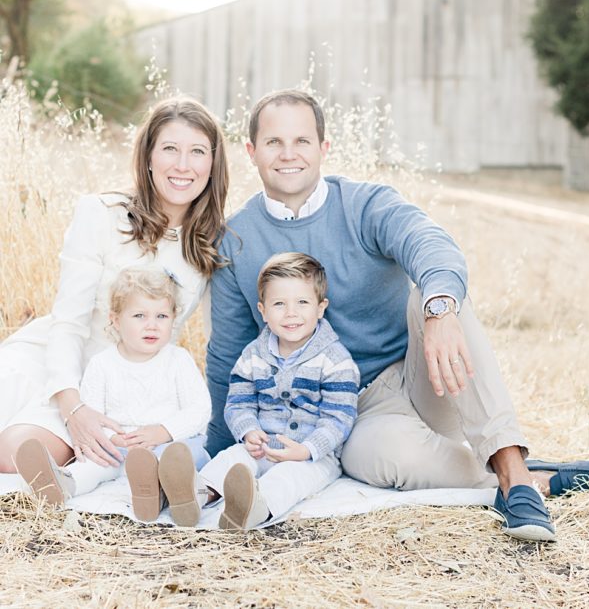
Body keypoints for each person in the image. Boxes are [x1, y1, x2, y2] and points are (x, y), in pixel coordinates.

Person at [206, 88, 589, 543]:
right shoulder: (235, 239)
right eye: (274, 142)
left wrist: (438, 311)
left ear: (323, 149)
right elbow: (229, 356)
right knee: (383, 459)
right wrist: (219, 451)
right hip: (348, 412)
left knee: (436, 295)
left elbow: (429, 243)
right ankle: (542, 478)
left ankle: (513, 473)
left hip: (424, 377)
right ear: (251, 151)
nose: (289, 154)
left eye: (302, 141)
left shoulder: (365, 204)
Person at [0, 96, 228, 476]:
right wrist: (73, 408)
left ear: (213, 163)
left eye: (198, 152)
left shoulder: (211, 241)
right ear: (149, 157)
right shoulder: (101, 214)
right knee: (15, 450)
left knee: (20, 456)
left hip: (132, 385)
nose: (183, 165)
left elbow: (218, 342)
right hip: (57, 366)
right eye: (170, 148)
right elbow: (68, 322)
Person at [15, 268, 211, 525]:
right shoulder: (102, 365)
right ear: (116, 320)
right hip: (121, 446)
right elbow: (93, 415)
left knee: (182, 458)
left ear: (173, 319)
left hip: (170, 443)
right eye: (139, 315)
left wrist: (163, 431)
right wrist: (113, 438)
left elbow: (199, 409)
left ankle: (160, 492)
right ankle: (62, 483)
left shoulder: (178, 360)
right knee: (95, 464)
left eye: (161, 316)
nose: (152, 324)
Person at [198, 252, 359, 530]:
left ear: (321, 308)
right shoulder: (253, 355)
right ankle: (194, 497)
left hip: (312, 456)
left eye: (302, 303)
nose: (291, 313)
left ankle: (254, 508)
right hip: (261, 447)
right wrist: (248, 431)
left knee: (287, 479)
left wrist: (307, 449)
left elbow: (339, 418)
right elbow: (239, 402)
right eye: (279, 304)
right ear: (263, 310)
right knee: (230, 460)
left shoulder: (335, 360)